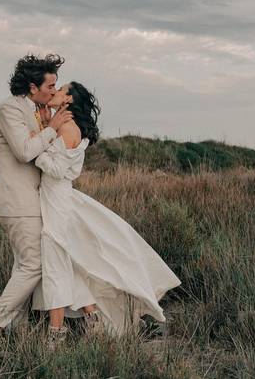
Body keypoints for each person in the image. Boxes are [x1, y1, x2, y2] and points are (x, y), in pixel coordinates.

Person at [28, 82, 182, 349]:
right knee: (67, 264)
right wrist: (45, 126)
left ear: (69, 102)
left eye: (61, 90)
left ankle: (57, 332)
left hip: (58, 203)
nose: (54, 92)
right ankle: (91, 315)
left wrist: (34, 152)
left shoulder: (66, 127)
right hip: (55, 199)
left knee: (56, 265)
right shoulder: (61, 123)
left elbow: (55, 169)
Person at [0, 54, 75, 338]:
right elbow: (23, 151)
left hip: (31, 200)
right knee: (33, 265)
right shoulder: (9, 109)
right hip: (18, 201)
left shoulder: (34, 110)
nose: (54, 91)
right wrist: (52, 129)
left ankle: (15, 328)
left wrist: (47, 126)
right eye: (50, 85)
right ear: (33, 87)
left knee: (23, 265)